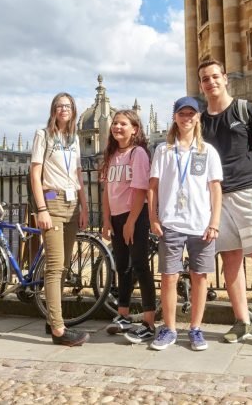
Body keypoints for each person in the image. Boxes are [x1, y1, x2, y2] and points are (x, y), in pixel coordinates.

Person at [198, 58, 252, 350]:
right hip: (219, 198)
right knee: (230, 260)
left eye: (214, 77)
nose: (210, 83)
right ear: (201, 85)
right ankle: (241, 321)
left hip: (250, 192)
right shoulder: (201, 120)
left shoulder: (244, 109)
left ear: (225, 77)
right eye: (205, 79)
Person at [148, 97, 222, 351]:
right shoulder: (163, 150)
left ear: (198, 117)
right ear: (175, 117)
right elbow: (152, 188)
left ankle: (195, 328)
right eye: (182, 113)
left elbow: (215, 189)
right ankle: (168, 328)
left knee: (199, 277)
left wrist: (214, 221)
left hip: (201, 224)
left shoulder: (208, 151)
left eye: (191, 113)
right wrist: (153, 217)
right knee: (169, 277)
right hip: (171, 223)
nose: (187, 117)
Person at [30, 92, 90, 346]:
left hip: (72, 204)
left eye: (68, 106)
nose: (63, 109)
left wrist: (85, 207)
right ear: (53, 110)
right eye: (59, 106)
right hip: (52, 202)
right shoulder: (43, 135)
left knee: (64, 264)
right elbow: (35, 173)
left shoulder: (74, 139)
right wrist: (41, 208)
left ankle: (52, 318)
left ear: (73, 110)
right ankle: (58, 330)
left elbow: (77, 175)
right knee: (54, 267)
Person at [101, 110, 157, 343]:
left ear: (135, 129)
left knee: (141, 267)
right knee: (122, 267)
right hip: (116, 217)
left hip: (135, 215)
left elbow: (140, 189)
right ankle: (123, 315)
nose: (117, 127)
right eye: (115, 123)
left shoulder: (138, 153)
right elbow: (106, 191)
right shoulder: (111, 155)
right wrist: (106, 220)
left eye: (123, 123)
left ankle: (149, 322)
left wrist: (132, 221)